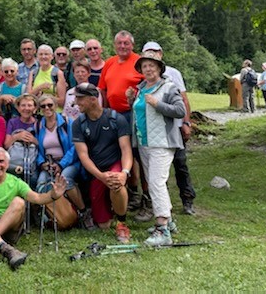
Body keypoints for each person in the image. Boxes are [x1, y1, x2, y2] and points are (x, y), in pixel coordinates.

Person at [0, 147, 68, 270]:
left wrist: (53, 195)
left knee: (19, 202)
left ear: (7, 164)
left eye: (1, 161)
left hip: (9, 226)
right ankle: (7, 250)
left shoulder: (16, 182)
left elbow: (38, 198)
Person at [129, 51, 186, 246]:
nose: (148, 69)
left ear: (160, 68)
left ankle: (162, 229)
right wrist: (132, 101)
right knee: (155, 182)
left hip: (162, 141)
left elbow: (180, 111)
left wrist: (159, 104)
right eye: (145, 66)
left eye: (152, 65)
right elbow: (140, 113)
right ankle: (168, 222)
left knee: (156, 183)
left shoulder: (169, 87)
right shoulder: (141, 89)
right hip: (145, 142)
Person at [71, 82, 133, 242]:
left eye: (80, 99)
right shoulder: (78, 123)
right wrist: (100, 176)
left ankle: (122, 223)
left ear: (93, 99)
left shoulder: (116, 119)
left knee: (116, 182)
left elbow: (126, 149)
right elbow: (83, 155)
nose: (76, 103)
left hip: (114, 163)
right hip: (95, 170)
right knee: (104, 224)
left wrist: (124, 173)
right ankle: (112, 207)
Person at [141, 42, 197, 216]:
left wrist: (186, 123)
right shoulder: (143, 83)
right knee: (155, 175)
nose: (151, 59)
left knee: (180, 164)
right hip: (151, 135)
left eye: (155, 53)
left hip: (173, 129)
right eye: (147, 55)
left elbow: (183, 101)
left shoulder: (172, 75)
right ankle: (161, 207)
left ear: (161, 55)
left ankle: (187, 199)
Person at [97, 30, 144, 210]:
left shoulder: (138, 62)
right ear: (115, 45)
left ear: (132, 45)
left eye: (126, 43)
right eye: (120, 43)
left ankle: (141, 194)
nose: (123, 46)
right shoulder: (109, 62)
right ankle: (126, 192)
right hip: (113, 114)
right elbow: (103, 89)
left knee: (136, 154)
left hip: (132, 114)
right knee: (118, 153)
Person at [35, 94, 89, 226]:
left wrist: (61, 164)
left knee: (65, 179)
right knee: (41, 182)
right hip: (49, 163)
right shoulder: (38, 126)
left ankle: (83, 212)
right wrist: (42, 163)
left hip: (69, 162)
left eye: (50, 105)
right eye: (43, 106)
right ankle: (49, 216)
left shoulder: (67, 122)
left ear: (56, 106)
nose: (47, 108)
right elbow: (37, 149)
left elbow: (74, 146)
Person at [4, 94, 39, 187]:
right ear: (18, 108)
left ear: (35, 108)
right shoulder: (12, 122)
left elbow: (43, 145)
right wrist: (16, 137)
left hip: (32, 162)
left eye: (29, 105)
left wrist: (34, 140)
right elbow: (6, 145)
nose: (26, 108)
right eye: (23, 105)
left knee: (33, 179)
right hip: (14, 161)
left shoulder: (38, 123)